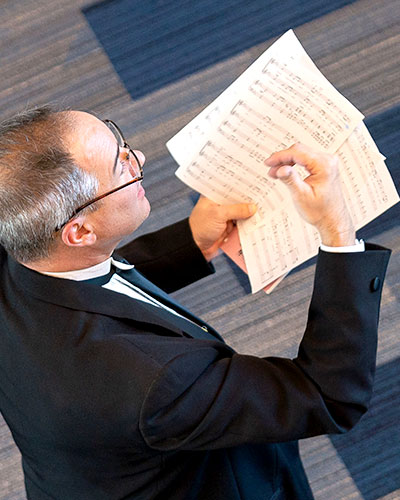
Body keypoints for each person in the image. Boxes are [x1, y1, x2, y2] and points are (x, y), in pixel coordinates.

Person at [0, 106, 390, 500]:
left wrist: (191, 241)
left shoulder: (23, 247)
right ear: (79, 231)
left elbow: (95, 286)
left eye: (121, 143)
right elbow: (328, 394)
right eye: (121, 167)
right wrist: (338, 231)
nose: (140, 160)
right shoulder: (153, 382)